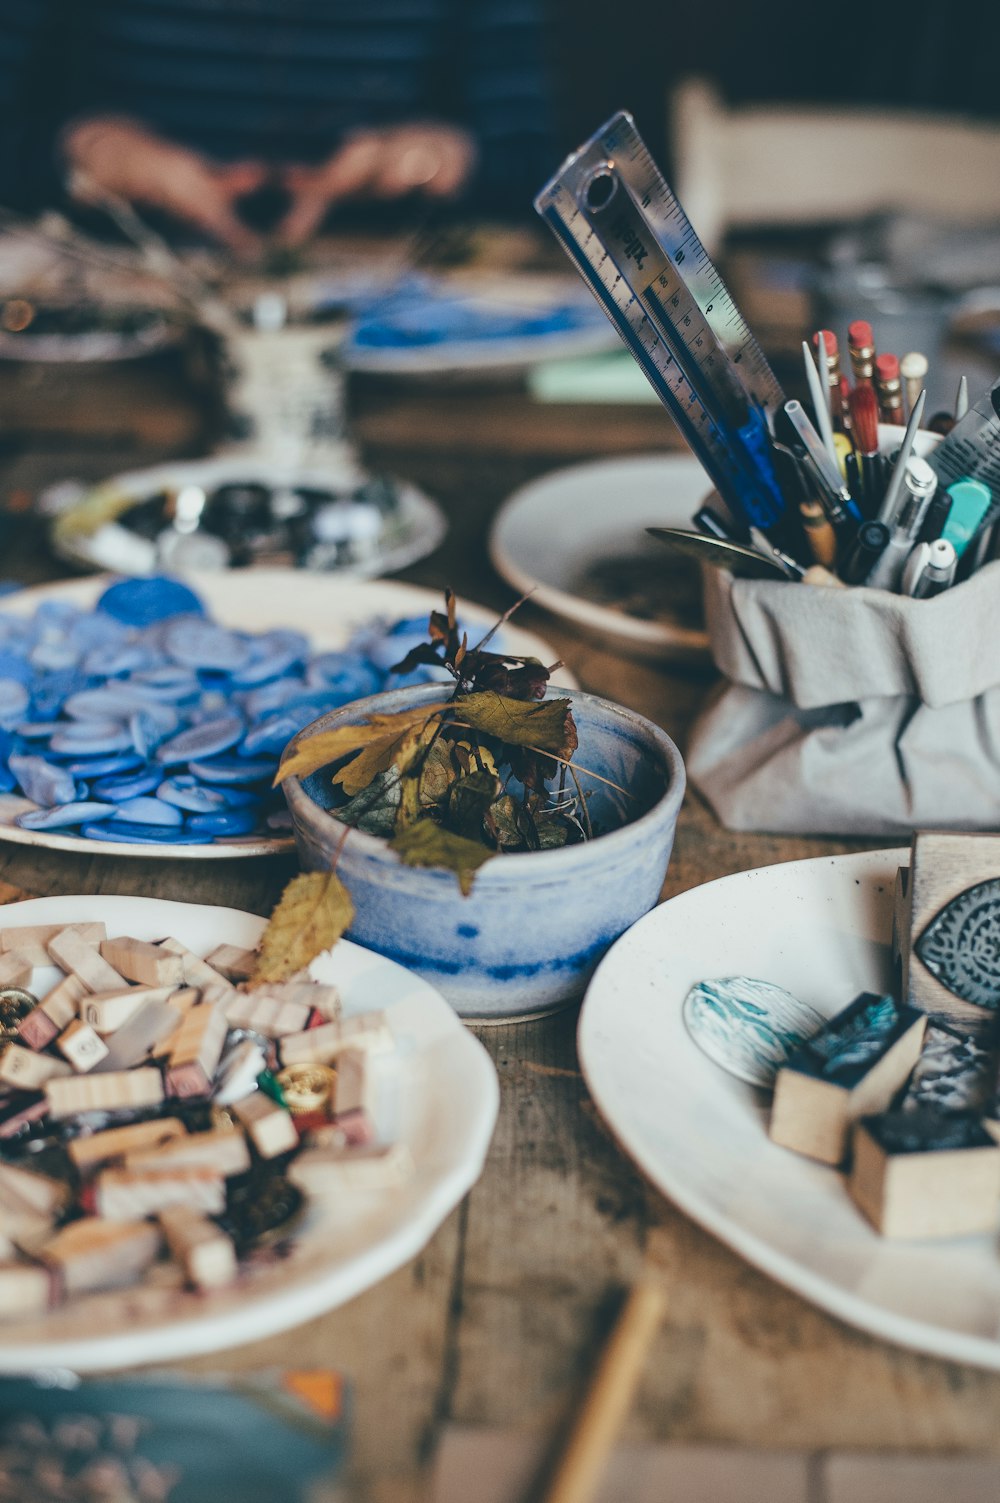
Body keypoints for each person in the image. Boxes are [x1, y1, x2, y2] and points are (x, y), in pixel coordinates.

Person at [0, 0, 554, 253]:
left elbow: (536, 171)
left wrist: (433, 159)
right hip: (116, 310)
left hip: (397, 334)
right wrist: (81, 152)